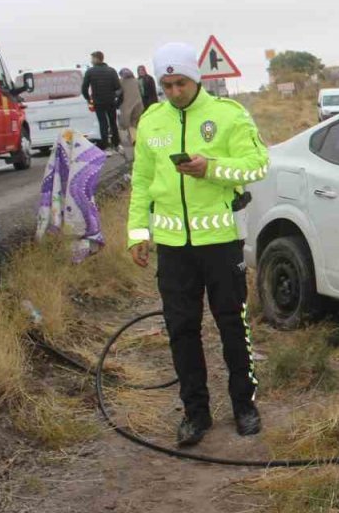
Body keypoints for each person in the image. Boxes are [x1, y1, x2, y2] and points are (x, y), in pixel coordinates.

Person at [127, 42, 270, 446]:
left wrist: (212, 169)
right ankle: (195, 413)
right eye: (166, 84)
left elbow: (258, 164)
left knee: (232, 325)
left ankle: (244, 405)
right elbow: (140, 183)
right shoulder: (152, 121)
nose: (174, 92)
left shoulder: (228, 115)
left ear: (197, 78)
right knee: (182, 329)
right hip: (173, 248)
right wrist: (137, 234)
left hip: (221, 242)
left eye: (181, 83)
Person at [81, 51, 121, 153]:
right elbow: (118, 88)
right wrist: (116, 99)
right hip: (111, 101)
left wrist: (88, 99)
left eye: (92, 58)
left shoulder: (90, 71)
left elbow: (84, 88)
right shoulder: (111, 71)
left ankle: (106, 147)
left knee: (103, 124)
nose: (91, 61)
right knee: (113, 123)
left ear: (97, 59)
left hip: (98, 102)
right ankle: (116, 144)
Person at [117, 68, 144, 161]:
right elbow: (141, 91)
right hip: (139, 104)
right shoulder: (136, 81)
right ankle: (139, 139)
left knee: (130, 125)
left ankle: (134, 140)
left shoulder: (122, 82)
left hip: (128, 106)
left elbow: (118, 93)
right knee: (137, 123)